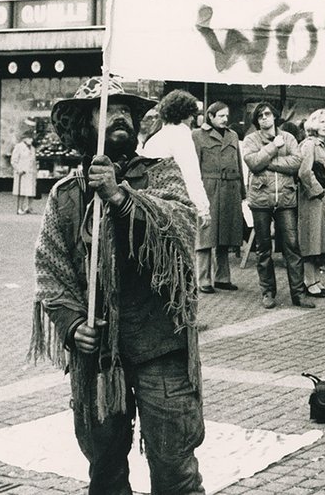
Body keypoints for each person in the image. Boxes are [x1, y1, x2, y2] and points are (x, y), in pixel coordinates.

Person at [29, 77, 204, 494]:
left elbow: (183, 230)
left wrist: (122, 198)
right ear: (85, 126)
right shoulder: (66, 195)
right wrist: (72, 326)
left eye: (126, 110)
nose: (120, 117)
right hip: (99, 357)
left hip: (159, 345)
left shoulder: (161, 172)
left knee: (174, 469)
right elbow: (50, 272)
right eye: (107, 110)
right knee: (105, 470)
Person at [242, 102, 312, 309]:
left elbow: (296, 162)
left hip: (286, 199)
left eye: (267, 114)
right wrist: (274, 147)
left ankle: (298, 294)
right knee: (263, 248)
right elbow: (253, 163)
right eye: (260, 116)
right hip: (260, 199)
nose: (264, 118)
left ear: (274, 116)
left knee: (292, 246)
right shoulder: (251, 139)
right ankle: (267, 293)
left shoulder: (289, 138)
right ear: (257, 121)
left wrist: (268, 162)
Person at [143, 90, 213, 294]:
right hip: (176, 207)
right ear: (186, 114)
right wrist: (203, 208)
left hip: (152, 205)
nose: (193, 119)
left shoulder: (155, 138)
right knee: (182, 260)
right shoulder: (182, 136)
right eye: (192, 115)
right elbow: (190, 174)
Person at [193, 100, 243, 292]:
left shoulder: (233, 135)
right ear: (210, 116)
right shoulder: (197, 135)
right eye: (221, 116)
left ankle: (222, 278)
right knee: (206, 235)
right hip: (209, 189)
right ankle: (203, 280)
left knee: (225, 235)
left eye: (226, 116)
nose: (225, 119)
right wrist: (195, 193)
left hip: (230, 189)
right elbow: (194, 166)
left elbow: (238, 164)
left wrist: (242, 192)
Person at [297, 108, 325, 299]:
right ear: (313, 123)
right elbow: (304, 171)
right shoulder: (310, 144)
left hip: (324, 200)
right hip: (314, 201)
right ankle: (309, 281)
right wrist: (319, 191)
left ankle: (315, 280)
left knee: (319, 240)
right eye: (322, 122)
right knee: (311, 240)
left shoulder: (324, 145)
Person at [10, 133, 38, 215]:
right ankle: (20, 208)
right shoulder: (19, 147)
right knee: (22, 191)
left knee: (31, 191)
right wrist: (18, 169)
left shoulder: (32, 148)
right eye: (29, 138)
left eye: (31, 138)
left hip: (31, 172)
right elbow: (13, 161)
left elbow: (33, 161)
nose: (31, 140)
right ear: (24, 139)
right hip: (22, 173)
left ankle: (29, 207)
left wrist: (35, 171)